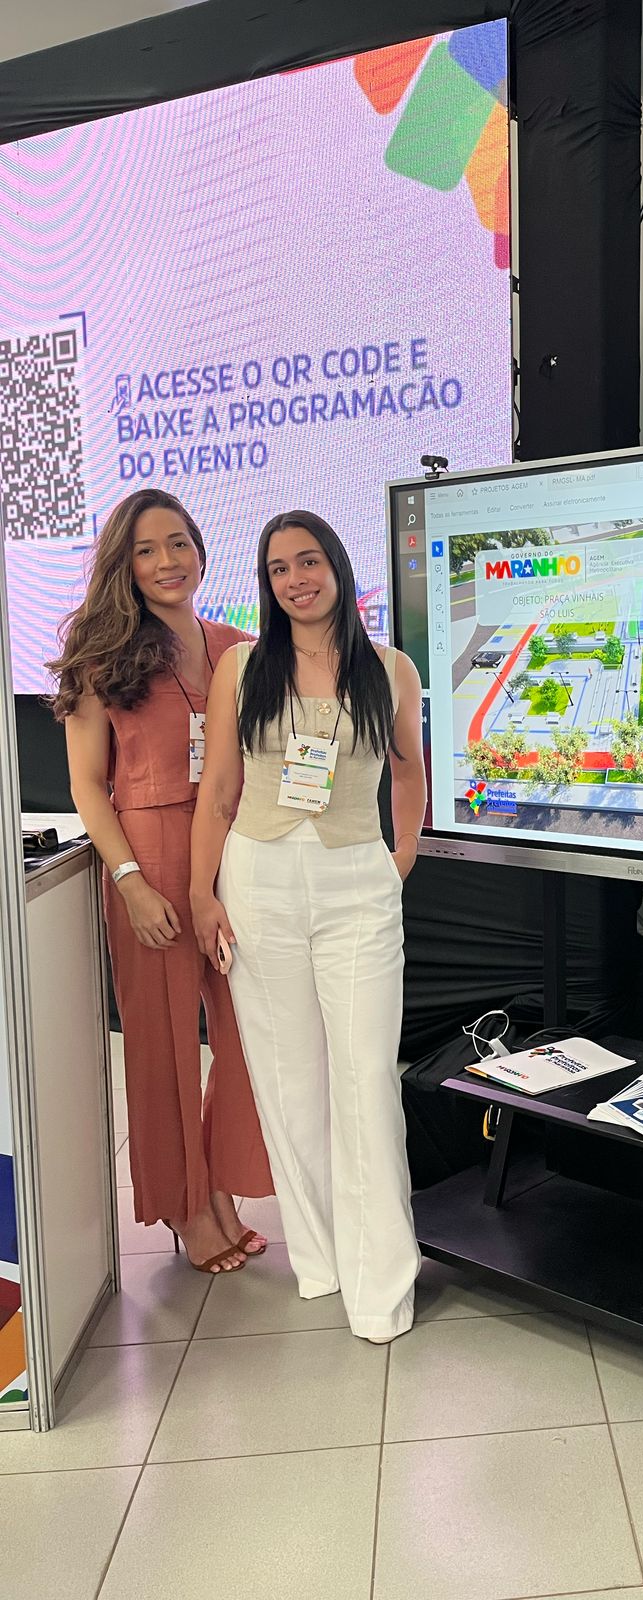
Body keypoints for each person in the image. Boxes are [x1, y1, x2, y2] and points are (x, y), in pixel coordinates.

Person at [190, 509, 425, 1343]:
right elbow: (219, 790)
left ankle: (382, 1285)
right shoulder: (241, 667)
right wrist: (202, 894)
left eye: (310, 561)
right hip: (258, 881)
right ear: (267, 582)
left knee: (366, 1081)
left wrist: (397, 859)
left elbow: (410, 773)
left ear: (338, 567)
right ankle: (322, 1260)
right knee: (289, 1085)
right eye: (280, 567)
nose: (297, 579)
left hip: (355, 882)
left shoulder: (389, 668)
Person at [51, 489, 272, 1274]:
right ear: (125, 564)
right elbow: (87, 786)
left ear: (201, 550)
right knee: (165, 1042)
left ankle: (222, 1181)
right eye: (146, 549)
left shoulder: (238, 647)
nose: (167, 561)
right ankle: (187, 1204)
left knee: (248, 1031)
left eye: (178, 542)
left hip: (235, 845)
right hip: (148, 850)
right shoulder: (102, 655)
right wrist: (132, 882)